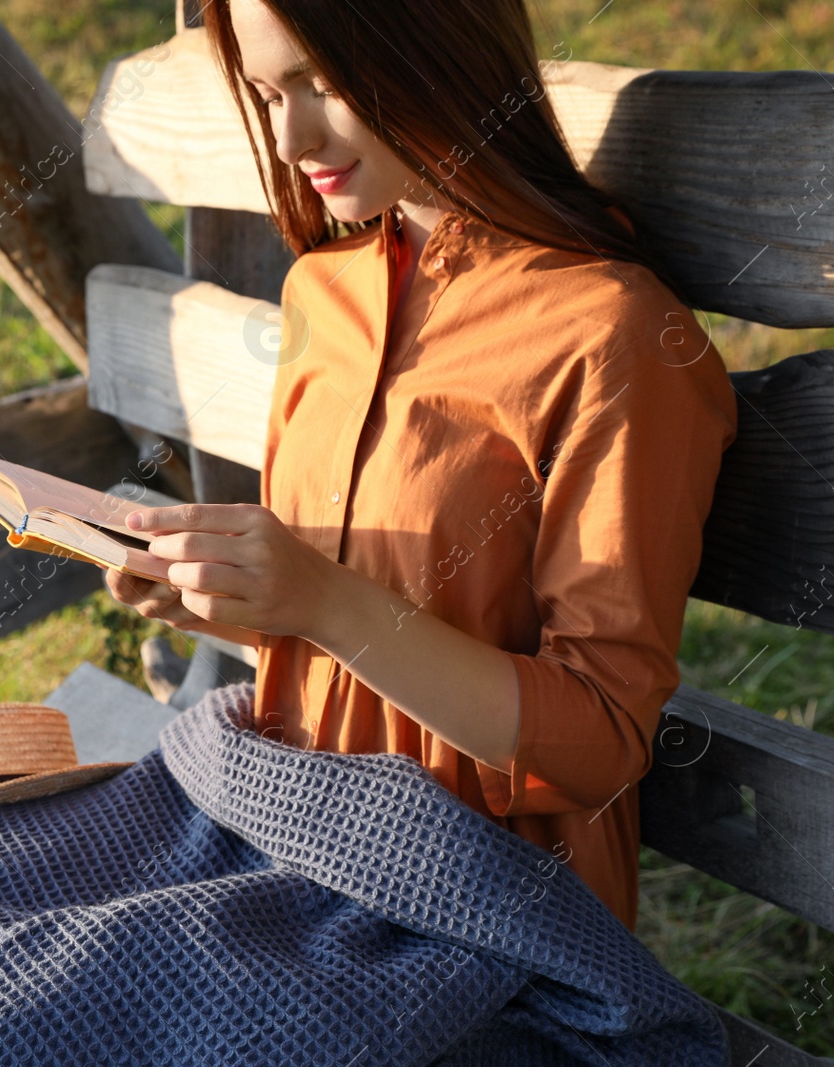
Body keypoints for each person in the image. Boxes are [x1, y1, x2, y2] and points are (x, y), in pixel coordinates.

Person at [103, 0, 737, 932]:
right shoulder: (325, 289)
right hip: (288, 841)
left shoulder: (613, 338)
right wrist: (228, 594)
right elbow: (343, 631)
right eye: (268, 93)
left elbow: (602, 734)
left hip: (479, 924)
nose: (290, 136)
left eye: (319, 84)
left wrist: (321, 598)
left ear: (433, 42)